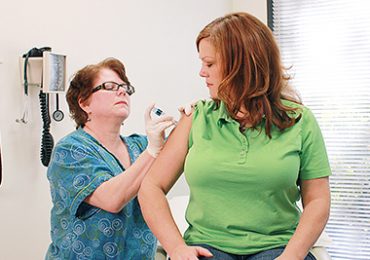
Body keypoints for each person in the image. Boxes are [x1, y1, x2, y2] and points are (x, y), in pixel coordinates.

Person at [138, 12, 331, 260]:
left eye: (209, 64)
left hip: (278, 247)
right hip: (207, 247)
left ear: (241, 66)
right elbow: (151, 187)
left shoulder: (300, 121)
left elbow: (317, 200)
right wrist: (176, 247)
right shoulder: (196, 118)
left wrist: (292, 255)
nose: (201, 72)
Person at [45, 58, 176, 259]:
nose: (122, 91)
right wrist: (152, 151)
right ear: (84, 102)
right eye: (109, 86)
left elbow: (189, 152)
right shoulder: (70, 150)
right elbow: (112, 199)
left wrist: (192, 117)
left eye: (125, 87)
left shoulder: (139, 146)